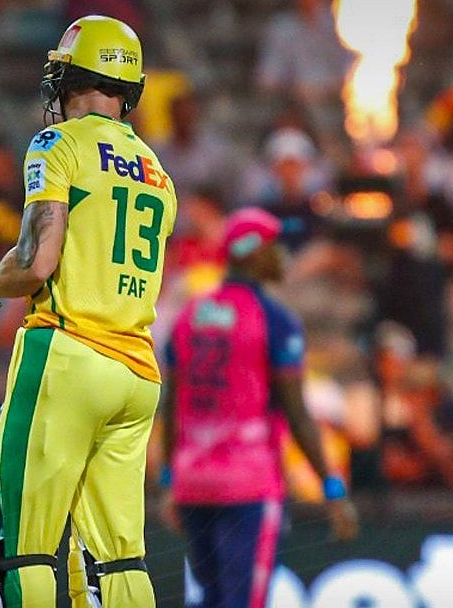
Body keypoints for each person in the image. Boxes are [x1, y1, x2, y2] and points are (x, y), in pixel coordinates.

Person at [0, 16, 176, 607]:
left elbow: (37, 262)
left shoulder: (58, 143)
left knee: (21, 552)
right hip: (136, 374)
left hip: (68, 356)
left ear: (70, 78)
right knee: (118, 562)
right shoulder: (159, 172)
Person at [160, 208, 359, 608]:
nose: (283, 256)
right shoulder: (274, 319)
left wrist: (169, 479)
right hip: (247, 484)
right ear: (252, 253)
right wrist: (332, 487)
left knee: (212, 599)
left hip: (193, 483)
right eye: (274, 246)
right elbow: (297, 414)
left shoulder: (190, 315)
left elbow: (171, 406)